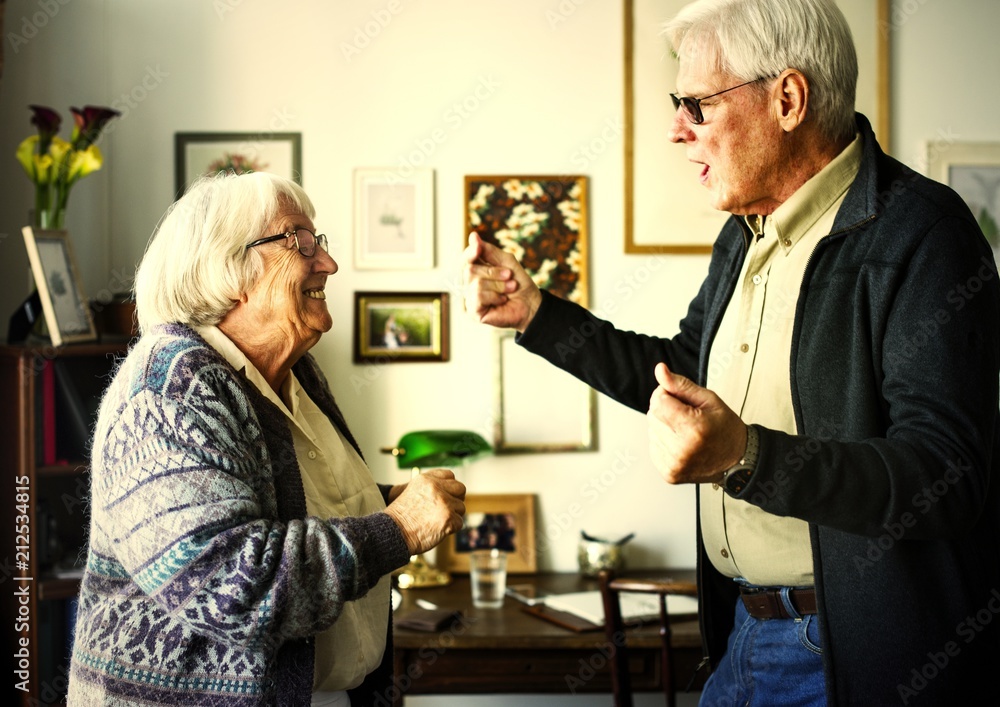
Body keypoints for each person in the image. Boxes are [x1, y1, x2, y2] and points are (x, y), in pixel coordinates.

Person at [462, 0, 1000, 704]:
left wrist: (744, 456)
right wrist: (537, 316)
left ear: (788, 99)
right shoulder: (743, 234)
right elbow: (676, 373)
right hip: (744, 634)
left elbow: (946, 473)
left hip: (847, 657)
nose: (675, 129)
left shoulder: (923, 232)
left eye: (696, 104)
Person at [68, 171, 467, 707]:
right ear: (230, 268)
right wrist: (398, 529)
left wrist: (378, 501)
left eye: (317, 242)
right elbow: (232, 587)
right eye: (299, 242)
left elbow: (281, 501)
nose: (327, 263)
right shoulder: (169, 393)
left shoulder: (295, 372)